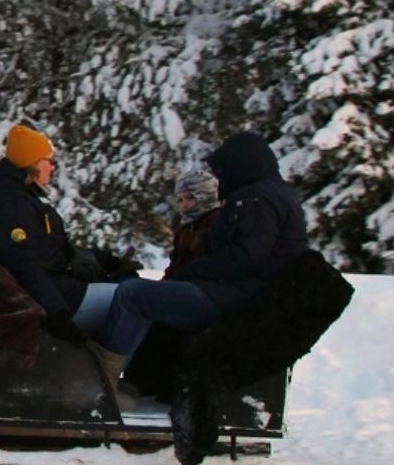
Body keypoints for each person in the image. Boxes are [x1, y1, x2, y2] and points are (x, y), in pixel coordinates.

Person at [93, 131, 308, 368]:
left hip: (239, 297)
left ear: (239, 164)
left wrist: (189, 275)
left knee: (132, 294)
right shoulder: (270, 193)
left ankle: (100, 378)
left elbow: (246, 257)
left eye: (223, 168)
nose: (220, 175)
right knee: (143, 292)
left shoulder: (256, 197)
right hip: (247, 294)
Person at [0, 123, 131, 342]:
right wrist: (57, 313)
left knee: (128, 283)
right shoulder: (13, 205)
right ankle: (110, 366)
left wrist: (103, 260)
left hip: (62, 291)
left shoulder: (22, 199)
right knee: (138, 297)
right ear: (32, 163)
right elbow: (23, 265)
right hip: (58, 301)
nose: (52, 168)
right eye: (48, 161)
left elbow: (51, 250)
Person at [166, 167, 219, 276]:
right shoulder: (185, 229)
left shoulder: (219, 223)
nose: (184, 205)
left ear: (207, 196)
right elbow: (173, 273)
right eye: (180, 200)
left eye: (190, 198)